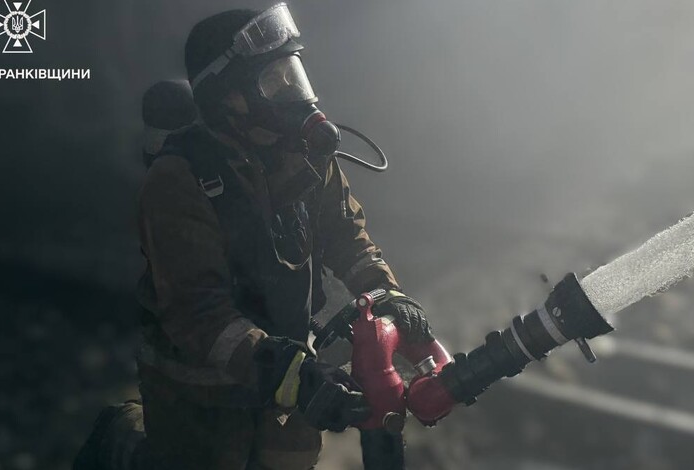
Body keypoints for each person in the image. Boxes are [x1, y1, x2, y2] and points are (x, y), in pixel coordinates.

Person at [74, 4, 433, 469]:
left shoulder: (306, 155)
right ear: (229, 96)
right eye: (274, 80)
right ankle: (123, 437)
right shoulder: (179, 178)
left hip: (285, 376)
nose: (294, 94)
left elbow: (347, 235)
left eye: (294, 74)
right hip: (199, 391)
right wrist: (293, 374)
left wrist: (383, 293)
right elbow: (199, 313)